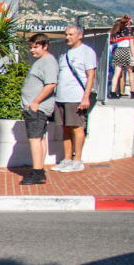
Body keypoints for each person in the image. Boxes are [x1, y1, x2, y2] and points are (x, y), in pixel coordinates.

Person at [52, 23, 98, 173]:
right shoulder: (64, 54)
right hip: (62, 96)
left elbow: (91, 76)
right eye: (66, 34)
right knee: (65, 128)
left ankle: (77, 160)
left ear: (80, 35)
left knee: (77, 127)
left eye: (71, 34)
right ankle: (67, 159)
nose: (68, 37)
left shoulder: (87, 52)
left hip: (76, 96)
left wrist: (85, 97)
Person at [19, 33, 58, 186]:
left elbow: (51, 84)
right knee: (40, 138)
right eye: (30, 47)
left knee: (35, 139)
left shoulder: (48, 62)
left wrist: (35, 102)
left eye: (36, 47)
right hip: (36, 108)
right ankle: (39, 170)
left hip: (37, 108)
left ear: (45, 46)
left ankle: (37, 173)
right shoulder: (43, 61)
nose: (32, 50)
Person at [109, 15, 134, 98]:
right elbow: (132, 45)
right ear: (128, 22)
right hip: (126, 51)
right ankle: (133, 91)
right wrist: (133, 57)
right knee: (130, 73)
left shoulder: (117, 31)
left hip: (118, 51)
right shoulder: (129, 31)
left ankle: (113, 92)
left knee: (116, 74)